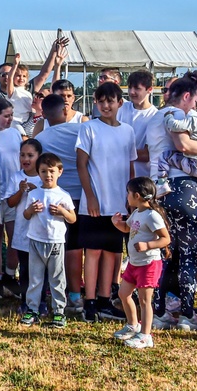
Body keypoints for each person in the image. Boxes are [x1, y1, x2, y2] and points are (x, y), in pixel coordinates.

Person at [145, 71, 197, 331]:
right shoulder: (181, 115)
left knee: (164, 253)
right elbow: (185, 145)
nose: (195, 106)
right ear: (187, 96)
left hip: (159, 191)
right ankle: (187, 314)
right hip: (184, 190)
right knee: (186, 255)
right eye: (194, 100)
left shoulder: (155, 117)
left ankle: (160, 312)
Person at [76, 82, 136, 323]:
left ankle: (104, 300)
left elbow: (130, 166)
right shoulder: (89, 128)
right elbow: (81, 164)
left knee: (112, 253)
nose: (105, 105)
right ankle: (89, 302)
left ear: (120, 103)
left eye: (110, 101)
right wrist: (90, 196)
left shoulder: (128, 131)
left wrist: (132, 200)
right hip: (95, 204)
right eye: (101, 101)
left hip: (119, 205)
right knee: (93, 252)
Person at [34, 94, 86, 313]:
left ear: (44, 115)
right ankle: (75, 294)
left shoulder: (41, 138)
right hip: (81, 195)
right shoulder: (81, 130)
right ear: (65, 111)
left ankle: (50, 292)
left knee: (52, 246)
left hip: (53, 197)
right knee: (75, 248)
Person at [111, 177, 171, 349]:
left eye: (128, 193)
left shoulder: (152, 216)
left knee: (145, 301)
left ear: (136, 195)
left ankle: (145, 336)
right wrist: (117, 223)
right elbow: (127, 227)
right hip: (134, 263)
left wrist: (148, 245)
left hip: (148, 264)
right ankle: (133, 325)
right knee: (123, 294)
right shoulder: (137, 212)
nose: (127, 196)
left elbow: (166, 238)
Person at [19, 152, 76, 329]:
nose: (48, 175)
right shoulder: (34, 193)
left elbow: (72, 218)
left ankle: (59, 312)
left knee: (57, 278)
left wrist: (62, 212)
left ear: (60, 172)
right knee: (35, 278)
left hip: (56, 242)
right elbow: (26, 215)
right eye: (43, 171)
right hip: (35, 241)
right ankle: (32, 310)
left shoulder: (63, 195)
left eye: (51, 171)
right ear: (38, 173)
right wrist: (31, 210)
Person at [0, 96, 26, 300]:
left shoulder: (15, 133)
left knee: (15, 238)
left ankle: (10, 275)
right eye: (6, 116)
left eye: (11, 115)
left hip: (13, 193)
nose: (10, 119)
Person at [6, 138, 42, 314]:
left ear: (39, 156)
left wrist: (36, 190)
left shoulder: (45, 177)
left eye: (30, 155)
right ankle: (25, 301)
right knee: (25, 268)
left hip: (42, 233)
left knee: (41, 269)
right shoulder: (16, 177)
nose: (25, 159)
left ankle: (41, 301)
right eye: (22, 155)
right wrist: (20, 191)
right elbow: (10, 203)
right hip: (23, 232)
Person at [117, 70, 158, 179]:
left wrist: (118, 151)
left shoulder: (156, 116)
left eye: (137, 88)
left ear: (149, 89)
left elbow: (148, 154)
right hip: (118, 175)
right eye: (130, 87)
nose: (132, 92)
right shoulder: (120, 109)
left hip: (141, 178)